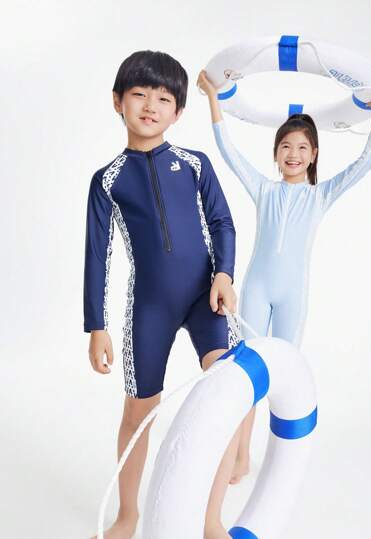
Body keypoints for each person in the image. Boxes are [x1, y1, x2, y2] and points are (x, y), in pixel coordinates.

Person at [197, 70, 371, 484]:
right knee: (245, 373)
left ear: (314, 154)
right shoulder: (264, 190)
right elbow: (228, 150)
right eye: (286, 146)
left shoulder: (320, 195)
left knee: (283, 376)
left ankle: (280, 464)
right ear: (275, 153)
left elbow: (366, 162)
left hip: (292, 297)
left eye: (302, 147)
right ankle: (239, 455)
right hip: (256, 289)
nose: (293, 153)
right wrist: (214, 97)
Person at [84, 50, 240, 539]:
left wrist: (224, 275)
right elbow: (97, 255)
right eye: (139, 94)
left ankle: (211, 519)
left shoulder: (194, 163)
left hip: (206, 297)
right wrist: (96, 326)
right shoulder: (108, 180)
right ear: (118, 102)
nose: (151, 105)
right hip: (149, 306)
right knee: (138, 412)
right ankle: (128, 515)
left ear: (178, 111)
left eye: (164, 98)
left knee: (225, 393)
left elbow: (222, 222)